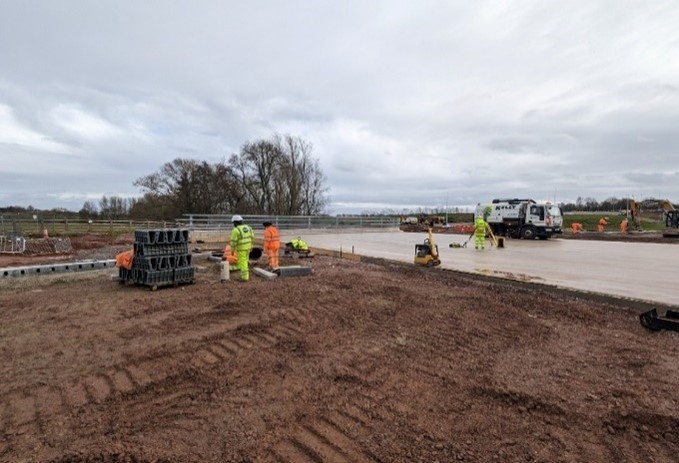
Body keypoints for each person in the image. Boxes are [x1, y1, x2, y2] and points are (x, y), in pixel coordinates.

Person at [230, 215, 254, 281]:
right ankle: (246, 274)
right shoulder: (249, 227)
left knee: (242, 262)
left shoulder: (236, 230)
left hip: (241, 249)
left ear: (235, 222)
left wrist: (232, 250)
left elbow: (233, 242)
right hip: (248, 248)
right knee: (246, 261)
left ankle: (244, 278)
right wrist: (251, 246)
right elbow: (252, 238)